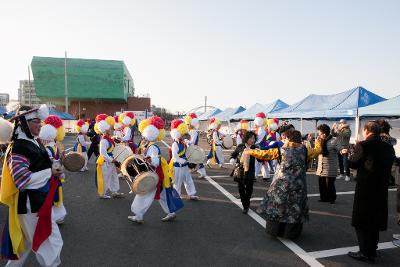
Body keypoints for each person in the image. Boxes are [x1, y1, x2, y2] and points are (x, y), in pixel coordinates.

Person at [0, 105, 63, 266]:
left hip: (38, 201)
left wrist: (54, 167)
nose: (40, 125)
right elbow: (21, 180)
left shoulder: (33, 141)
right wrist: (50, 172)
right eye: (36, 121)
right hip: (31, 203)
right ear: (23, 123)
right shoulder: (19, 146)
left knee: (28, 245)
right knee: (50, 244)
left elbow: (41, 166)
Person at [245, 129, 321, 239]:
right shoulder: (305, 150)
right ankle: (291, 233)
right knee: (295, 209)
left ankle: (274, 231)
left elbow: (264, 154)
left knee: (278, 207)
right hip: (298, 187)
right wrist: (318, 141)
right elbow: (317, 150)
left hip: (281, 186)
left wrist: (250, 151)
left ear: (288, 138)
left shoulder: (281, 150)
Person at [342, 121, 395, 263]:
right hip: (381, 187)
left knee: (362, 220)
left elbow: (353, 163)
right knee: (375, 219)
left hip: (366, 187)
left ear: (366, 131)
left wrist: (349, 153)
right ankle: (372, 249)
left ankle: (365, 252)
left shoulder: (364, 145)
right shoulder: (388, 147)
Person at [129, 116, 183, 223]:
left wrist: (147, 160)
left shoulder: (152, 147)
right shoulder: (147, 144)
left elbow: (155, 162)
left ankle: (138, 216)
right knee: (162, 194)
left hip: (154, 174)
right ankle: (171, 213)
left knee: (144, 194)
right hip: (157, 174)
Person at [38, 115, 68, 225]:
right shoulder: (55, 146)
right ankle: (58, 217)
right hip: (55, 174)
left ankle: (55, 217)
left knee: (51, 196)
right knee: (55, 195)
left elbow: (51, 163)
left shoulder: (48, 148)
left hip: (51, 175)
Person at [95, 114, 123, 199]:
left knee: (114, 176)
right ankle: (102, 194)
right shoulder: (104, 140)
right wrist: (112, 160)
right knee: (105, 178)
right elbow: (103, 154)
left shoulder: (109, 139)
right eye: (111, 128)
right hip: (105, 162)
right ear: (106, 130)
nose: (113, 130)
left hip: (110, 161)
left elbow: (111, 150)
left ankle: (114, 192)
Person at [170, 119, 199, 200]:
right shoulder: (175, 144)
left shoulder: (184, 142)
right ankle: (176, 195)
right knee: (177, 182)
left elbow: (188, 152)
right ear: (177, 134)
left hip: (185, 165)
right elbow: (175, 157)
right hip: (178, 166)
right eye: (183, 134)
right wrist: (184, 161)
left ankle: (191, 194)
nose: (184, 135)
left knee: (188, 180)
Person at [230, 131, 257, 214]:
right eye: (251, 138)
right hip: (240, 170)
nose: (252, 140)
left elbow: (260, 158)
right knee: (241, 188)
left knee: (249, 189)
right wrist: (232, 160)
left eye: (254, 138)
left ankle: (247, 203)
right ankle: (245, 205)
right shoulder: (240, 146)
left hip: (250, 171)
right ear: (246, 138)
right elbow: (233, 155)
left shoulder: (255, 147)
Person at [316, 124, 338, 204]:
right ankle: (324, 197)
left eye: (319, 133)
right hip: (321, 166)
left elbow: (339, 148)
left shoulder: (334, 140)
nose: (318, 135)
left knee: (329, 184)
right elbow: (317, 151)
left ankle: (332, 198)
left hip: (330, 167)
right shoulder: (319, 140)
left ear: (324, 134)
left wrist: (343, 150)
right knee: (321, 183)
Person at [184, 113, 208, 178]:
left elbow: (192, 141)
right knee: (197, 161)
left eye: (188, 124)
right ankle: (201, 173)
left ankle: (199, 172)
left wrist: (186, 141)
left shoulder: (193, 131)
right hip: (191, 149)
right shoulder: (191, 131)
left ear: (192, 124)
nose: (187, 125)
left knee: (197, 161)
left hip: (193, 149)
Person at [253, 112, 270, 180]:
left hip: (260, 147)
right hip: (262, 147)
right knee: (263, 163)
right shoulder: (261, 129)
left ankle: (255, 175)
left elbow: (258, 140)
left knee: (258, 162)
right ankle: (266, 176)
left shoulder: (261, 130)